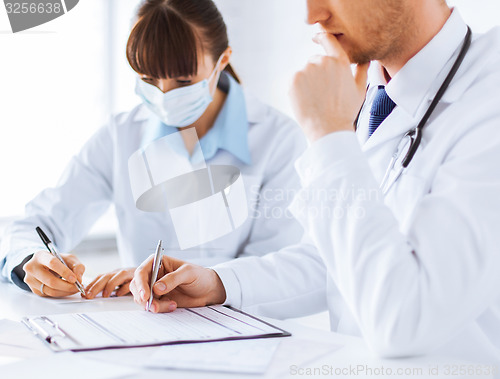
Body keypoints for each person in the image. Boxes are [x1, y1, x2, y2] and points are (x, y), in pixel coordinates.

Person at [129, 0, 500, 363]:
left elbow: (405, 320)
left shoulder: (489, 96)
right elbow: (330, 260)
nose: (311, 15)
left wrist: (328, 134)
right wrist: (217, 284)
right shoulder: (371, 89)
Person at [0, 0, 306, 299]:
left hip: (244, 337)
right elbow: (35, 225)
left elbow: (277, 274)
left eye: (184, 80)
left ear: (222, 60)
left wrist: (189, 283)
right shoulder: (120, 136)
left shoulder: (279, 140)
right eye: (148, 79)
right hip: (144, 333)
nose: (164, 95)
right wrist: (31, 260)